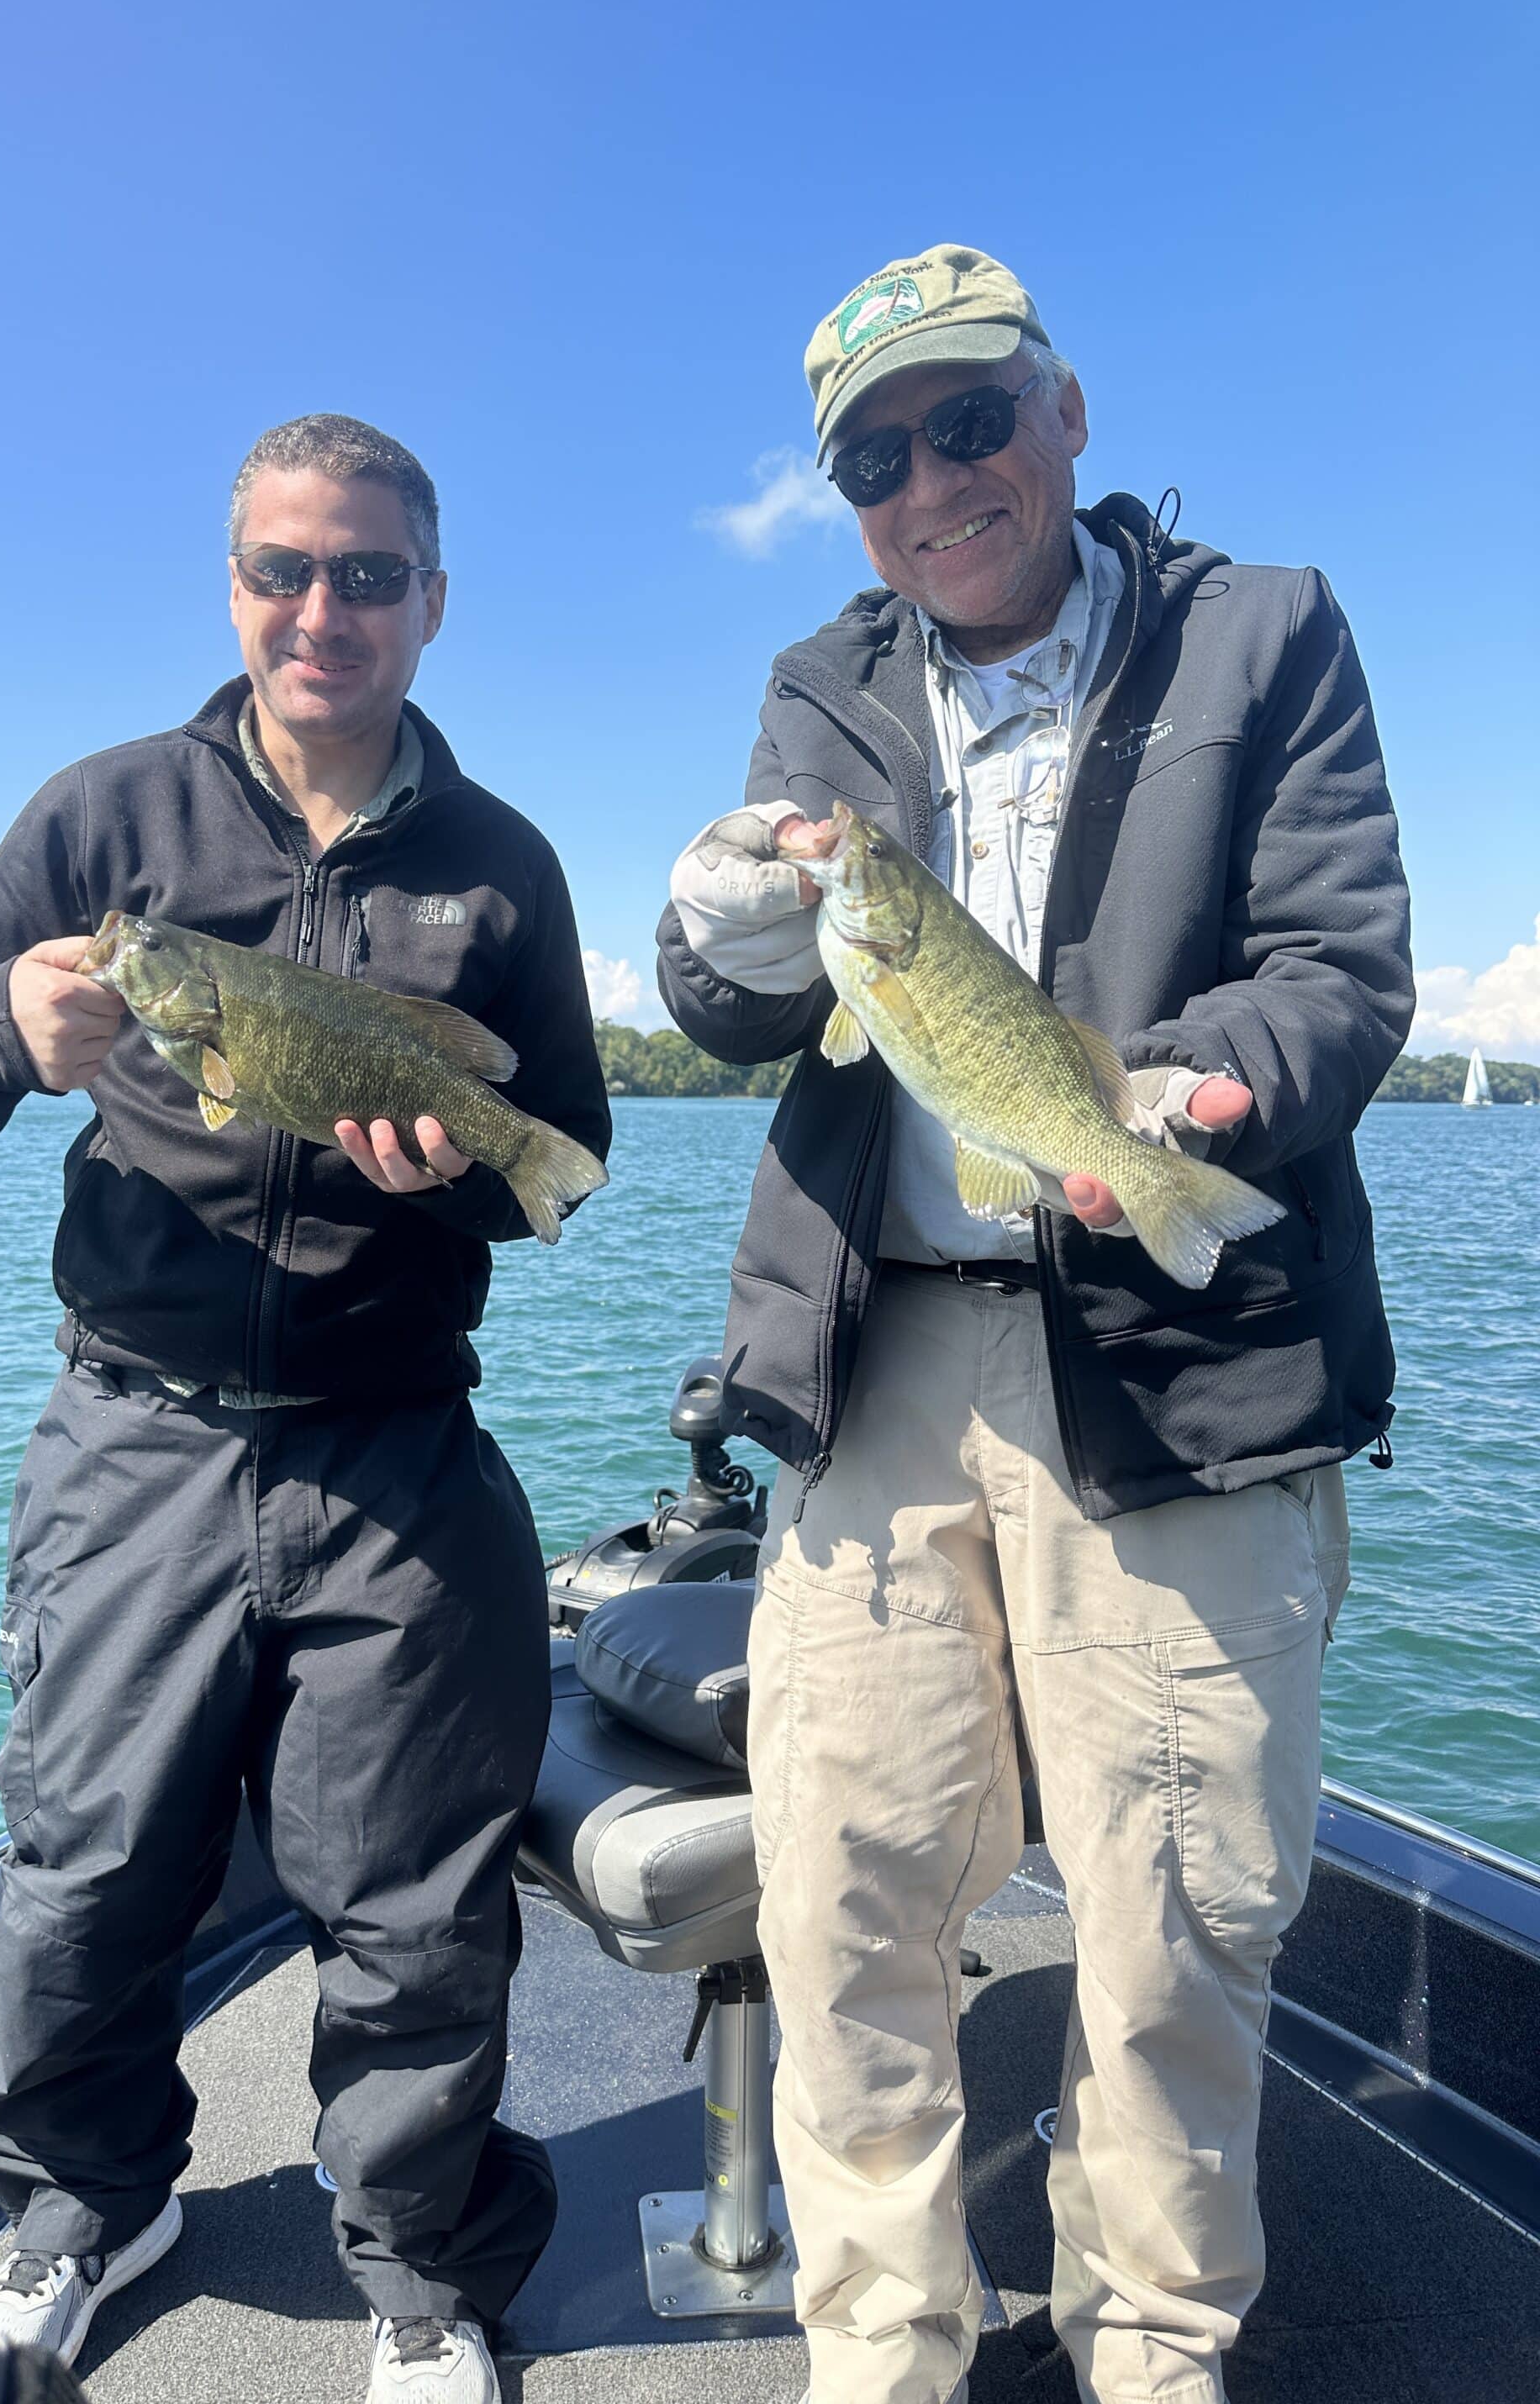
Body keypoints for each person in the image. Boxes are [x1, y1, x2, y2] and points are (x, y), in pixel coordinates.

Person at [658, 245, 1411, 2404]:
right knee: (844, 1898)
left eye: (968, 420)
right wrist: (712, 921)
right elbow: (741, 1002)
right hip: (874, 1353)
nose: (931, 482)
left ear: (1065, 410)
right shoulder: (823, 679)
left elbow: (1343, 964)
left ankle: (1153, 2350)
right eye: (876, 458)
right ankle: (878, 2355)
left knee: (1177, 1924)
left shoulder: (1266, 631)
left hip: (1182, 1362)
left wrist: (1179, 1097)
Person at [0, 413, 609, 2404]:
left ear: (430, 604)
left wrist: (445, 1171)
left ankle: (423, 2273)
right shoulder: (107, 817)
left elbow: (565, 1155)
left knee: (413, 1906)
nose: (324, 610)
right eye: (287, 570)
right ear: (235, 589)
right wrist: (7, 1034)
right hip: (136, 1436)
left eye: (369, 575)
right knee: (86, 1864)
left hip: (399, 1451)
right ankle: (80, 2217)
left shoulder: (504, 863)